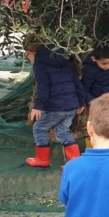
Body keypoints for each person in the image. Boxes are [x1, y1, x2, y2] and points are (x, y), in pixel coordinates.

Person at [24, 34, 86, 168]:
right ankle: (74, 162)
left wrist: (37, 106)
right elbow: (77, 82)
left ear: (32, 53)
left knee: (39, 128)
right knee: (63, 131)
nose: (28, 58)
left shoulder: (40, 65)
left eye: (27, 55)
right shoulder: (65, 62)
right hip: (71, 106)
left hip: (55, 107)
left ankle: (42, 159)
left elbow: (43, 87)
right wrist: (81, 102)